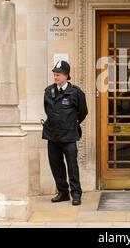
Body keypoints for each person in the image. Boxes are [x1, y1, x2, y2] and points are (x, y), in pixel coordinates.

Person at [42, 60, 88, 205]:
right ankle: (63, 192)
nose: (56, 77)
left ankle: (76, 194)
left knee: (72, 166)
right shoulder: (49, 91)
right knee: (56, 165)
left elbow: (83, 112)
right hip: (52, 135)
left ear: (66, 75)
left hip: (69, 135)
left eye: (59, 75)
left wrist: (71, 124)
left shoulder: (76, 92)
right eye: (55, 74)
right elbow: (47, 110)